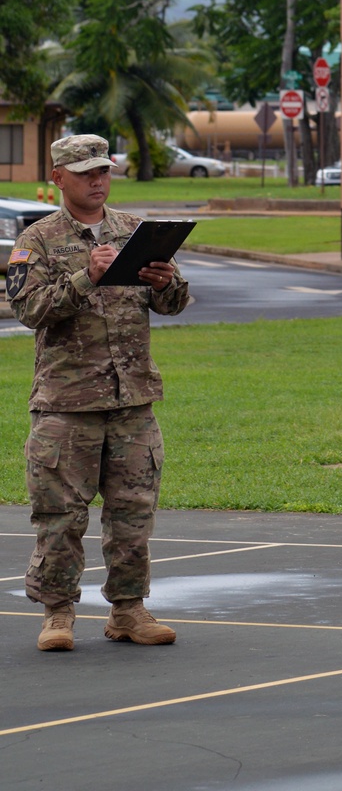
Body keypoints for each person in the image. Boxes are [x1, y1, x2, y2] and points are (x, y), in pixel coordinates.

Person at [5, 134, 189, 652]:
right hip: (66, 404)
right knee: (60, 516)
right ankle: (57, 614)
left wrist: (164, 281)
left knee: (132, 515)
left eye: (103, 171)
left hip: (131, 400)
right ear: (59, 177)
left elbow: (175, 303)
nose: (98, 180)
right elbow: (29, 310)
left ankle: (129, 611)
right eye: (85, 172)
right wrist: (86, 276)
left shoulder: (136, 231)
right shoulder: (37, 240)